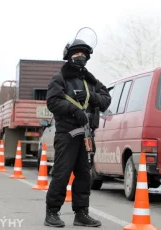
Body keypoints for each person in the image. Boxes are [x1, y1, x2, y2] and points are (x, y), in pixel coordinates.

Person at [44, 38, 111, 227]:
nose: (80, 57)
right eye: (76, 54)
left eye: (83, 54)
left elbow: (106, 99)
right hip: (67, 134)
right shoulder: (60, 78)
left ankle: (81, 214)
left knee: (84, 175)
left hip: (87, 136)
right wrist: (74, 110)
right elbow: (53, 102)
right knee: (61, 173)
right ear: (68, 56)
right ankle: (52, 213)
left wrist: (92, 97)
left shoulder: (91, 80)